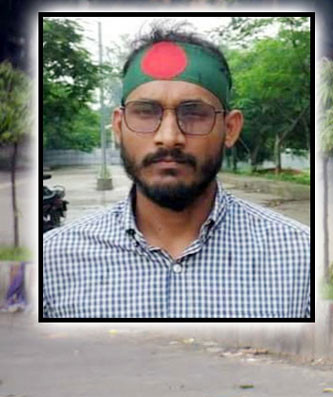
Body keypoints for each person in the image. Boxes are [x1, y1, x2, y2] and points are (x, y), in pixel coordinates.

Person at [41, 25, 311, 319]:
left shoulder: (300, 258)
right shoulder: (54, 260)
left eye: (194, 113)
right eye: (146, 112)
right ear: (118, 127)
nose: (169, 137)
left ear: (230, 129)